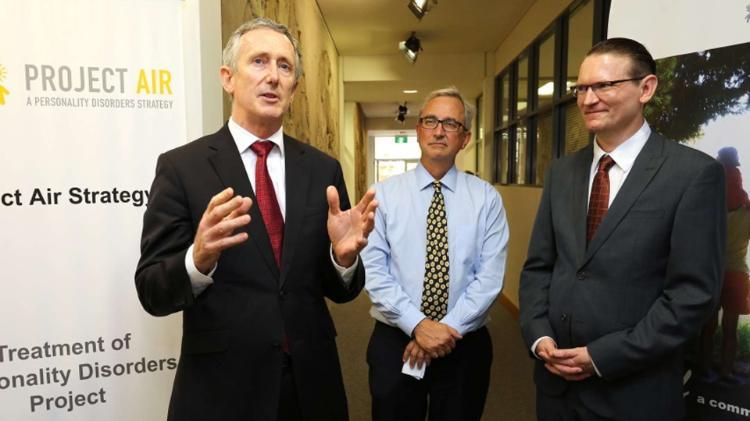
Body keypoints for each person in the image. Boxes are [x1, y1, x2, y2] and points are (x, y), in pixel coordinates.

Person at [135, 18, 377, 421]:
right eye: (259, 61)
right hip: (222, 389)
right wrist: (198, 260)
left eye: (284, 67)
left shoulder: (322, 170)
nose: (273, 76)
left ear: (295, 88)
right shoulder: (183, 167)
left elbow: (340, 292)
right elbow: (151, 289)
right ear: (227, 78)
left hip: (312, 384)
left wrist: (344, 260)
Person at [519, 37, 726, 420]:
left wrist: (601, 357)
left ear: (646, 88)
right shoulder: (562, 172)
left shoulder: (693, 175)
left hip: (634, 394)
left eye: (604, 85)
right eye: (581, 88)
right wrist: (539, 336)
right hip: (555, 389)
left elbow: (692, 295)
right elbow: (539, 267)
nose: (588, 99)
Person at [362, 87, 508, 421]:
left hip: (464, 343)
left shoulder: (486, 199)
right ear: (418, 130)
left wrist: (442, 330)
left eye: (451, 124)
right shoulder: (382, 196)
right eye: (431, 121)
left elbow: (489, 279)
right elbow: (374, 271)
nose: (439, 130)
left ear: (466, 138)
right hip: (395, 341)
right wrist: (416, 325)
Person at [699, 146, 750, 385]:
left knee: (707, 326)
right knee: (730, 328)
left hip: (712, 272)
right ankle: (726, 371)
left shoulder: (709, 205)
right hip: (737, 274)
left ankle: (704, 368)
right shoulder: (747, 208)